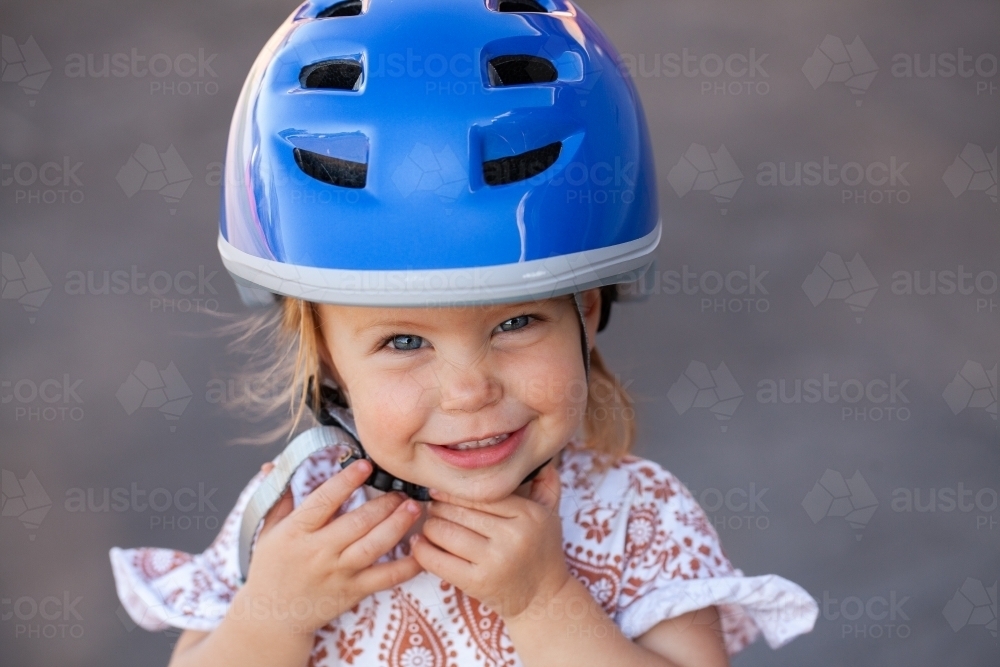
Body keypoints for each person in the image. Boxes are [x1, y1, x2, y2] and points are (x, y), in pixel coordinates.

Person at [110, 1, 818, 665]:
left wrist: (545, 602)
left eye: (514, 322)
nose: (469, 388)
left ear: (589, 308)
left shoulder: (638, 519)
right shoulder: (301, 517)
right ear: (326, 355)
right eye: (404, 341)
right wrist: (271, 612)